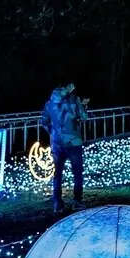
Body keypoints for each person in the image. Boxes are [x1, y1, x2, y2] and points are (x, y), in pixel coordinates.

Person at [42, 83, 89, 213]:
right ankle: (77, 201)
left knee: (57, 174)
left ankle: (57, 203)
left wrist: (53, 133)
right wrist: (82, 106)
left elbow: (44, 121)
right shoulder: (73, 101)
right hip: (73, 142)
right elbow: (84, 117)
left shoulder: (49, 104)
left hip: (57, 143)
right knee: (77, 173)